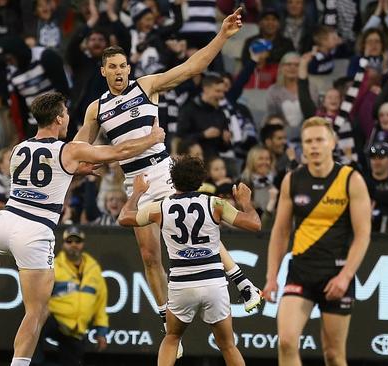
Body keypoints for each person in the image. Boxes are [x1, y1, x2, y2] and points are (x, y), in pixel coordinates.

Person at [0, 91, 165, 366]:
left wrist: (74, 170)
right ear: (58, 118)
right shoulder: (70, 150)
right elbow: (118, 152)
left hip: (5, 223)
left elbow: (43, 175)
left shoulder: (19, 149)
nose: (67, 119)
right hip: (35, 231)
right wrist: (152, 138)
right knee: (36, 313)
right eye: (64, 115)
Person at [74, 9, 261, 357]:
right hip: (135, 183)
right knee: (149, 256)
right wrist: (82, 164)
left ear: (129, 68)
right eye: (111, 67)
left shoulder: (147, 87)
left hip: (164, 172)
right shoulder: (95, 109)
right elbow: (80, 148)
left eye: (122, 66)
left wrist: (222, 36)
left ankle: (242, 283)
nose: (117, 72)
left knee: (197, 230)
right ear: (103, 71)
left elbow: (192, 67)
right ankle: (166, 318)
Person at [117, 156, 261, 366]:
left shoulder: (160, 208)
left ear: (172, 181)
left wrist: (138, 191)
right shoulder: (215, 204)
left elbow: (124, 217)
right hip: (214, 284)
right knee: (228, 346)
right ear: (201, 181)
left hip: (181, 284)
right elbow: (255, 224)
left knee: (172, 338)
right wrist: (245, 203)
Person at [263, 117, 372, 366]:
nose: (313, 146)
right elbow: (280, 233)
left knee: (333, 354)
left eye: (319, 140)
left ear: (332, 142)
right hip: (300, 272)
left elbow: (363, 234)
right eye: (308, 141)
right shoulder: (293, 179)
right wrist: (271, 277)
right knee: (286, 342)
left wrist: (345, 276)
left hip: (336, 274)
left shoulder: (351, 179)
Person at [34, 226, 109, 366]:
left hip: (76, 327)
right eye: (69, 241)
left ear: (83, 243)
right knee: (35, 323)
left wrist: (102, 331)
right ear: (63, 244)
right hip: (54, 320)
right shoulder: (54, 265)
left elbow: (100, 302)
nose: (73, 245)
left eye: (77, 241)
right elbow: (38, 296)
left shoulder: (94, 268)